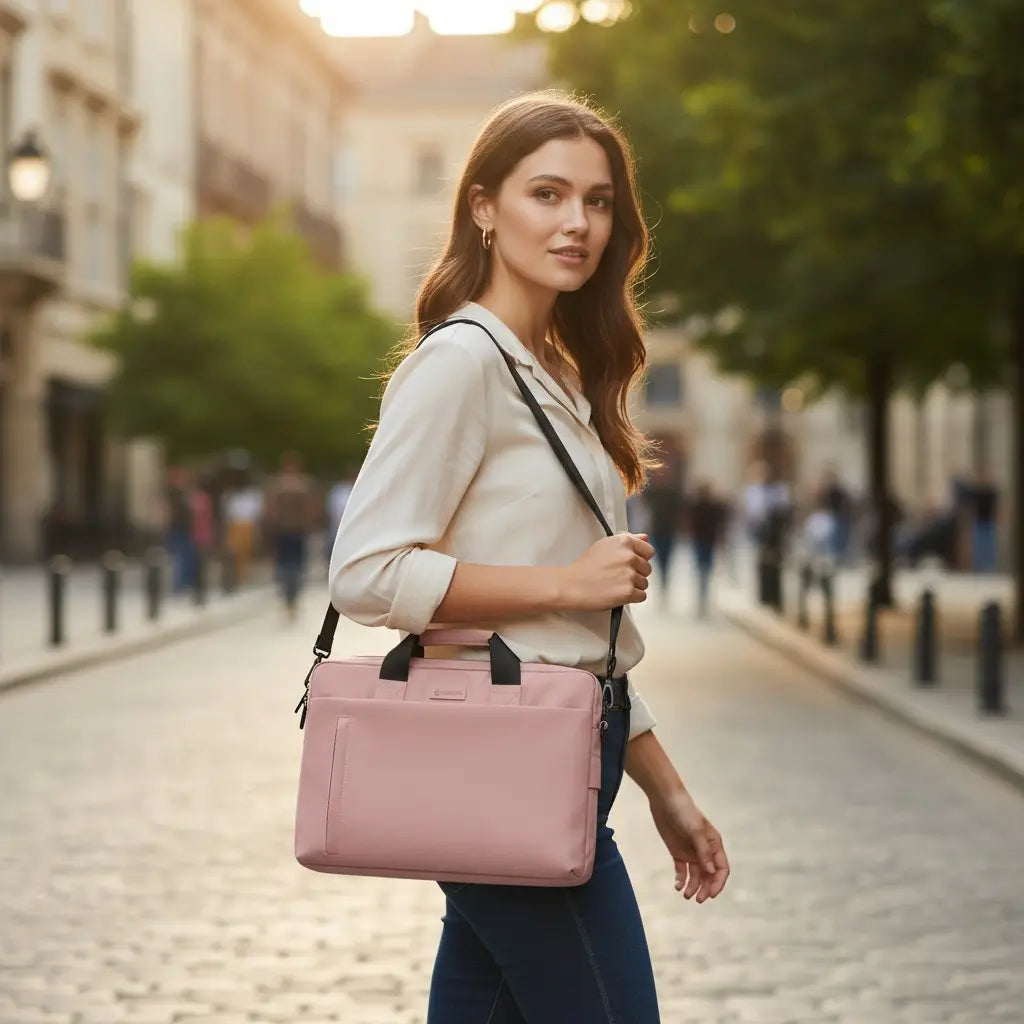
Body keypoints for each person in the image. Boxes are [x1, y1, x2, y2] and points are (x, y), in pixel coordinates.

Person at [328, 92, 730, 1023]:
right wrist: (564, 581)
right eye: (546, 194)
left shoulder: (553, 370)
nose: (576, 223)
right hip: (498, 756)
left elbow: (584, 644)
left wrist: (664, 788)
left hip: (559, 750)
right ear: (481, 206)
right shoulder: (462, 361)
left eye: (597, 202)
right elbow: (365, 572)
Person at [265, 451, 317, 620]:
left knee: (292, 566)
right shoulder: (299, 485)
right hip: (286, 530)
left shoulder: (283, 485)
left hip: (294, 530)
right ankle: (289, 598)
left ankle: (291, 598)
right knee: (289, 566)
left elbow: (309, 508)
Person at [643, 463, 686, 608]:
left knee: (667, 558)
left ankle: (665, 581)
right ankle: (663, 581)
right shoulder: (653, 492)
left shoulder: (673, 493)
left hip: (669, 530)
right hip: (657, 529)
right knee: (659, 558)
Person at [687, 479, 727, 617]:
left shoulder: (711, 506)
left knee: (704, 568)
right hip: (703, 540)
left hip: (706, 540)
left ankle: (704, 594)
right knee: (703, 568)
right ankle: (703, 594)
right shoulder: (698, 505)